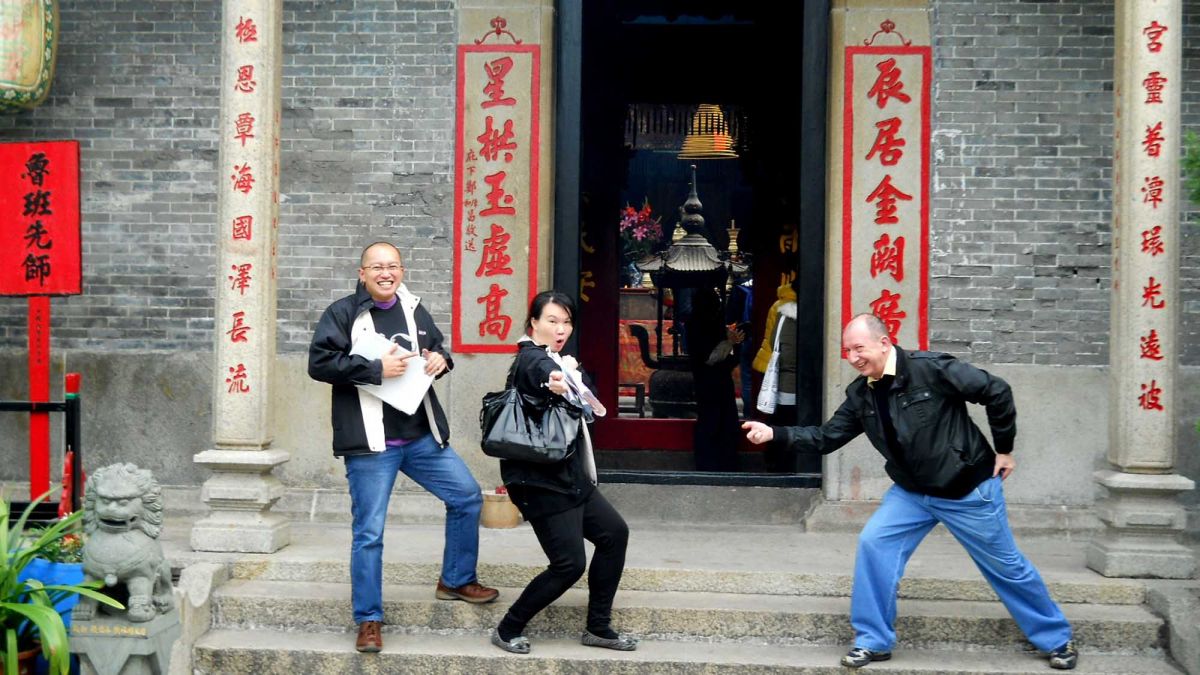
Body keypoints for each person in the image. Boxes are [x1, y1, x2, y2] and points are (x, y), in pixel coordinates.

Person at [742, 313, 1077, 670]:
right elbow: (827, 437)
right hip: (912, 494)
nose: (853, 357)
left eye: (859, 348)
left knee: (1006, 567)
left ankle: (1056, 639)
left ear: (884, 343)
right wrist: (776, 434)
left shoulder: (930, 369)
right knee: (875, 544)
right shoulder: (861, 394)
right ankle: (873, 640)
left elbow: (995, 390)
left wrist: (1004, 448)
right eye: (847, 351)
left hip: (967, 489)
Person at [308, 241, 498, 654]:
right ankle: (369, 619)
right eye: (376, 267)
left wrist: (440, 360)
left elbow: (439, 348)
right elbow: (319, 363)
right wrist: (374, 369)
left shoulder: (413, 307)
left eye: (392, 265)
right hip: (372, 444)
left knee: (466, 497)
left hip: (420, 437)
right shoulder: (343, 314)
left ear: (402, 270)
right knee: (370, 533)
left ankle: (456, 578)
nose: (385, 272)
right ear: (362, 274)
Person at [490, 290, 636, 655]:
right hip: (541, 482)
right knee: (569, 564)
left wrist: (571, 376)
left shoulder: (561, 359)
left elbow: (591, 397)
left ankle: (598, 627)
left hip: (570, 476)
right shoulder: (532, 360)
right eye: (552, 321)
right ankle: (508, 628)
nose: (560, 329)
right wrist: (559, 379)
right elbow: (545, 374)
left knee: (614, 534)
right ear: (533, 323)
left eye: (566, 322)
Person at [685, 286, 744, 472]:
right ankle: (721, 463)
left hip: (707, 381)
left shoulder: (696, 322)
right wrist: (731, 344)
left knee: (712, 421)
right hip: (713, 379)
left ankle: (709, 463)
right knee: (718, 422)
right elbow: (710, 358)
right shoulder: (701, 323)